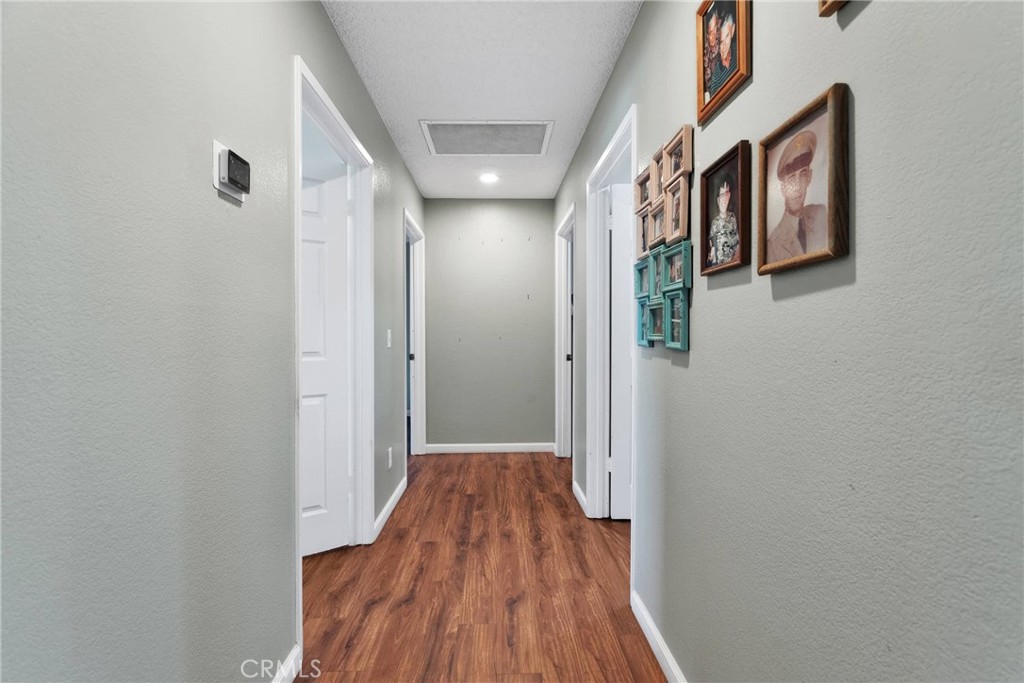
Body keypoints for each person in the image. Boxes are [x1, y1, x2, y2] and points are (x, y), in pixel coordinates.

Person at [766, 129, 827, 263]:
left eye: (803, 174)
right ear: (782, 188)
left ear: (809, 177)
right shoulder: (772, 244)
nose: (798, 186)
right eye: (792, 178)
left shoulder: (822, 213)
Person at [707, 177, 739, 265]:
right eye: (722, 195)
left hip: (732, 264)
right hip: (718, 265)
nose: (724, 198)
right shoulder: (715, 222)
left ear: (729, 196)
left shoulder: (733, 218)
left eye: (726, 194)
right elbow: (711, 246)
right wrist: (711, 254)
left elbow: (738, 243)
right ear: (718, 199)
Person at [706, 13, 736, 101]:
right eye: (722, 41)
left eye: (727, 37)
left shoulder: (740, 50)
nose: (724, 45)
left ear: (733, 30)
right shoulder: (717, 75)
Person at [703, 11, 720, 90]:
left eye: (715, 30)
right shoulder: (705, 55)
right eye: (711, 32)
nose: (714, 35)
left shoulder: (723, 47)